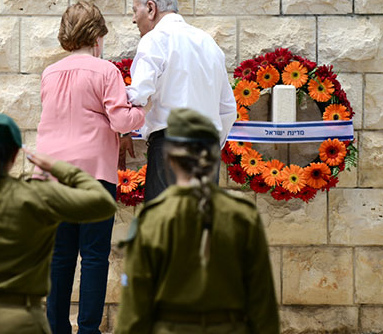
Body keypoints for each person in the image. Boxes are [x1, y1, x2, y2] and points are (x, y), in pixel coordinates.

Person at [115, 108, 280, 334]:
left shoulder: (153, 219)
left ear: (171, 160)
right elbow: (261, 295)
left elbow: (136, 298)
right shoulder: (243, 216)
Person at [35, 0, 145, 334]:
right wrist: (142, 107)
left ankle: (57, 328)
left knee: (59, 257)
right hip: (93, 174)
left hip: (52, 175)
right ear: (97, 36)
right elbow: (121, 118)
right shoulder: (106, 71)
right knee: (94, 256)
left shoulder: (50, 72)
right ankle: (88, 329)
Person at [0, 112, 118, 334]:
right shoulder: (36, 195)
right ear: (14, 155)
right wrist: (57, 167)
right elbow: (102, 203)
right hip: (22, 321)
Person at [122, 0, 237, 202]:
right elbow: (227, 108)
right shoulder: (208, 43)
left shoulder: (154, 40)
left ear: (151, 8)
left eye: (135, 9)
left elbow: (138, 94)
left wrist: (116, 116)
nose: (134, 18)